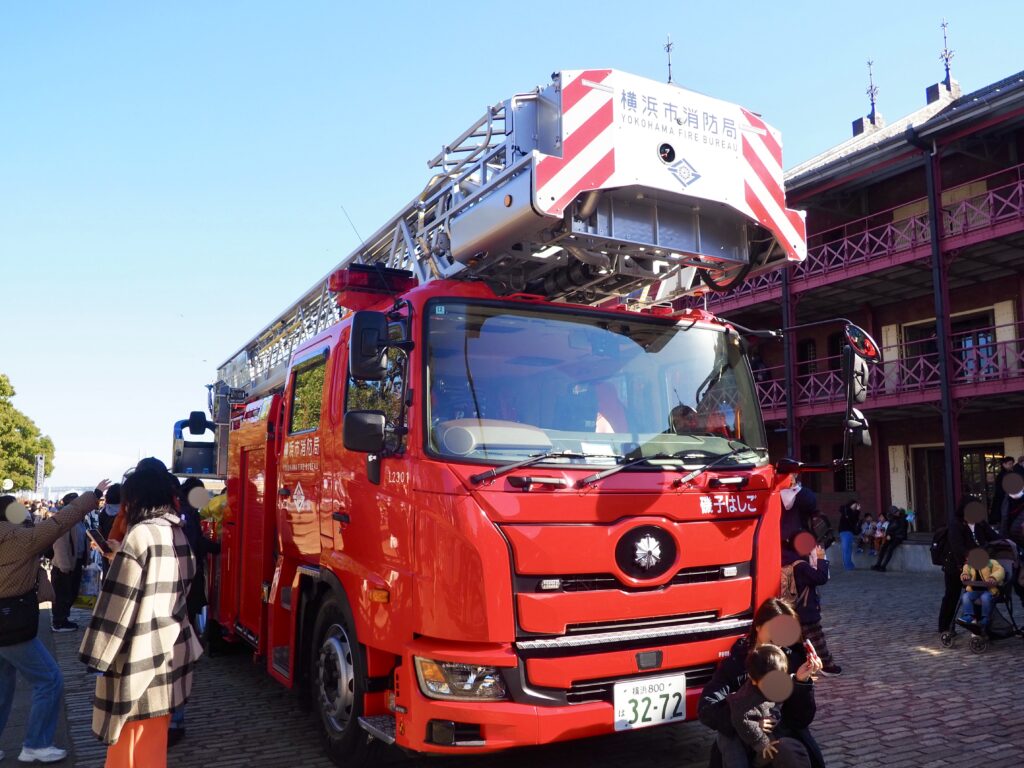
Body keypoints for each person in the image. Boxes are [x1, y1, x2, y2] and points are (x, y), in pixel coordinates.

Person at [79, 466, 202, 768]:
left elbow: (117, 603)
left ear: (136, 499)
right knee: (152, 743)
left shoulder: (140, 535)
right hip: (170, 648)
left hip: (138, 654)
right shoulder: (176, 532)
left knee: (128, 744)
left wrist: (95, 655)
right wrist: (120, 555)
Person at [1, 482, 110, 765]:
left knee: (3, 685)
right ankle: (36, 743)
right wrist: (94, 496)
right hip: (11, 623)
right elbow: (60, 522)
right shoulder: (20, 538)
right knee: (49, 679)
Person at [699, 598, 825, 768]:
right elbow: (707, 708)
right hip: (742, 743)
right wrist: (749, 721)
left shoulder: (790, 660)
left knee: (790, 750)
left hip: (778, 737)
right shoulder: (736, 663)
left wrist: (801, 683)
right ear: (758, 626)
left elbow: (800, 720)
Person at [167, 477, 221, 746]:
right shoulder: (186, 513)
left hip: (182, 580)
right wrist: (219, 547)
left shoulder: (179, 510)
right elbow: (195, 544)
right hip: (188, 578)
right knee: (187, 617)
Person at [717, 644, 798, 768]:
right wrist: (762, 742)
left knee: (774, 749)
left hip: (755, 727)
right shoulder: (746, 700)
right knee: (738, 761)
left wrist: (799, 679)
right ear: (753, 680)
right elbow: (742, 720)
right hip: (733, 732)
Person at [937, 498, 998, 633]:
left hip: (977, 567)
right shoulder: (956, 524)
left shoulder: (980, 523)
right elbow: (958, 547)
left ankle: (979, 626)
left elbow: (993, 537)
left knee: (977, 593)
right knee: (952, 596)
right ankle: (944, 626)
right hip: (956, 565)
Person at [789, 546, 840, 676]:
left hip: (795, 607)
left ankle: (804, 664)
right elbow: (821, 578)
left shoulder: (788, 561)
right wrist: (821, 559)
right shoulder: (800, 566)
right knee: (816, 638)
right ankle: (826, 665)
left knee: (801, 640)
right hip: (806, 608)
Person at [50, 492, 89, 632]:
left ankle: (63, 619)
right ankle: (58, 622)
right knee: (62, 594)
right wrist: (64, 566)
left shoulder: (79, 519)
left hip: (75, 562)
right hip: (64, 564)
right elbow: (59, 544)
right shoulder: (64, 519)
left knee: (71, 593)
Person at [957, 555, 1005, 633]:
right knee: (965, 596)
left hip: (989, 590)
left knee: (985, 597)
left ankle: (985, 618)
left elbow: (1000, 571)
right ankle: (969, 616)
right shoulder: (968, 566)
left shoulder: (991, 563)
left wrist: (993, 577)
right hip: (974, 590)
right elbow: (965, 572)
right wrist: (964, 576)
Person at [872, 508, 907, 572]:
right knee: (883, 547)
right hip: (891, 536)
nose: (897, 513)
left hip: (899, 537)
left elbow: (900, 530)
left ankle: (883, 566)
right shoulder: (892, 519)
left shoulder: (902, 520)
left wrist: (890, 534)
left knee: (890, 548)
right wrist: (888, 534)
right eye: (895, 512)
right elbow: (889, 528)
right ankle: (878, 564)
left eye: (897, 512)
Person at [990, 456, 1016, 527]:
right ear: (1004, 464)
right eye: (1010, 464)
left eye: (1012, 464)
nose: (1011, 465)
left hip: (1004, 498)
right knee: (1004, 517)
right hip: (1004, 498)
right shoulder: (1003, 474)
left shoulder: (1007, 473)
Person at [836, 500, 860, 570]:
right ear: (851, 504)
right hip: (846, 531)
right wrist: (857, 511)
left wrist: (857, 511)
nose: (856, 506)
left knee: (847, 549)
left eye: (856, 505)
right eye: (855, 505)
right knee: (847, 549)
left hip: (846, 531)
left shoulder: (846, 511)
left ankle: (849, 565)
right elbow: (854, 520)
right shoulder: (848, 511)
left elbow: (854, 521)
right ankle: (848, 566)